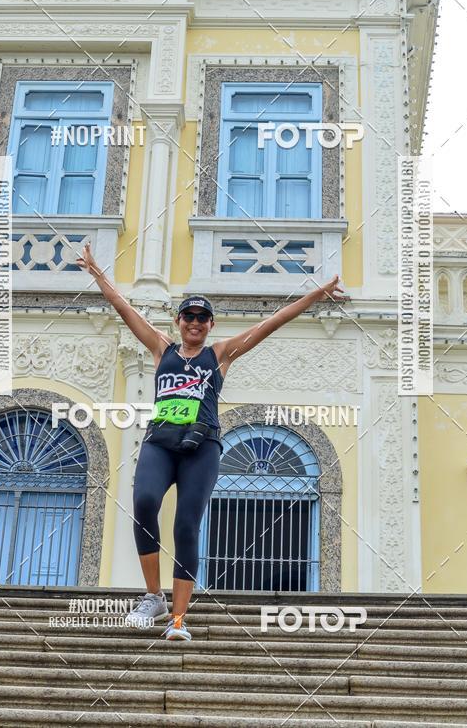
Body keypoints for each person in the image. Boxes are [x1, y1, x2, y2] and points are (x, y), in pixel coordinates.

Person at [77, 242, 345, 641]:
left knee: (187, 525)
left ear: (211, 325)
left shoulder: (219, 354)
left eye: (203, 318)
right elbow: (124, 307)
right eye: (189, 316)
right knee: (145, 502)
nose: (195, 323)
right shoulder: (160, 347)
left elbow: (272, 323)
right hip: (161, 442)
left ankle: (178, 619)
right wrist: (98, 274)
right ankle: (153, 597)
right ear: (178, 320)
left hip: (202, 449)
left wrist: (315, 295)